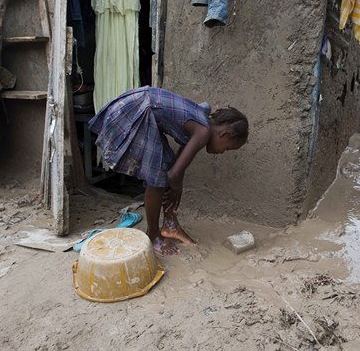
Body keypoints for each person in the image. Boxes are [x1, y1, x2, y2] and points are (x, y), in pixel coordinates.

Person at [89, 86, 249, 255]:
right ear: (224, 134)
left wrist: (175, 185)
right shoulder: (202, 132)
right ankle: (153, 235)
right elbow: (174, 175)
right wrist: (176, 187)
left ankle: (170, 226)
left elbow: (178, 166)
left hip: (142, 107)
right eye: (227, 149)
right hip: (137, 110)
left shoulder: (201, 125)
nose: (222, 152)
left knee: (168, 165)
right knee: (158, 178)